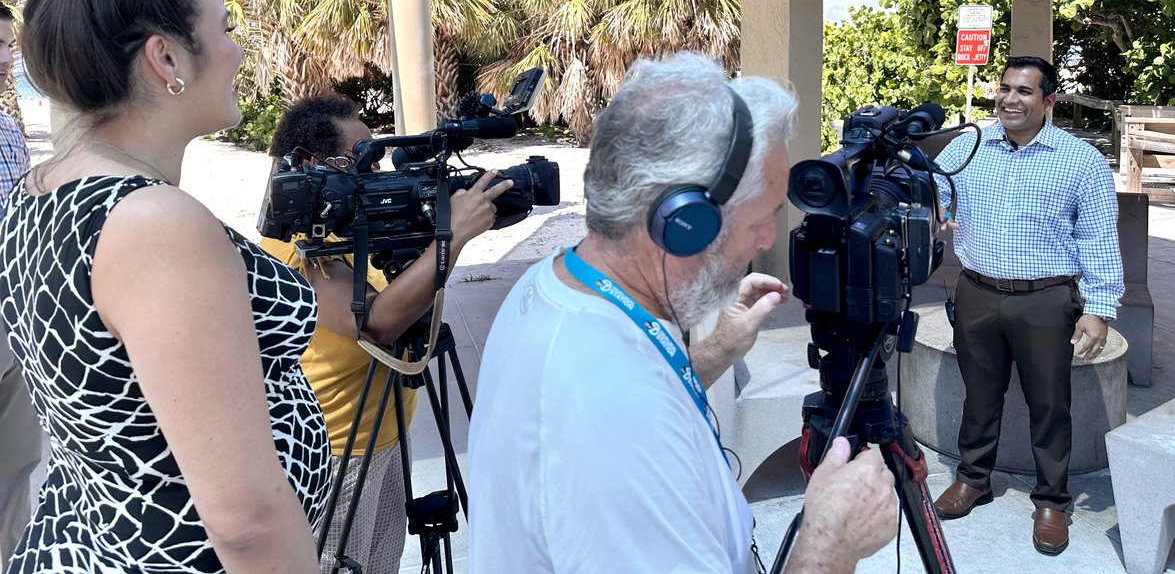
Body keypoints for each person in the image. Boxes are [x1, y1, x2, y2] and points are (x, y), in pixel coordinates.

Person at [468, 51, 896, 574]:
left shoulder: (560, 283)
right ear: (684, 222)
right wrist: (830, 545)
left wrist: (710, 354)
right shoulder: (612, 416)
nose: (768, 239)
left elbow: (638, 390)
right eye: (763, 217)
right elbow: (623, 417)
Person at [0, 0, 332, 574]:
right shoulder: (153, 225)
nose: (238, 49)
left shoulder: (40, 188)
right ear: (167, 56)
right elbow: (244, 524)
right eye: (226, 27)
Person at [262, 95, 510, 574]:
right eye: (363, 157)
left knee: (379, 565)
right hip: (336, 454)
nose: (374, 170)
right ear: (318, 165)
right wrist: (450, 239)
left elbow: (406, 293)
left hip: (386, 435)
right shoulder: (292, 244)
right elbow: (375, 324)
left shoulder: (344, 224)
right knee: (336, 566)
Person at [931, 55, 1123, 556]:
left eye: (1024, 91)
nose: (1009, 99)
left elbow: (1099, 237)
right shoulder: (967, 148)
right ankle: (974, 479)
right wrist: (941, 207)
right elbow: (935, 188)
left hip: (1046, 299)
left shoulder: (1079, 159)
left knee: (1049, 404)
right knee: (979, 395)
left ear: (1049, 101)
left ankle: (1052, 501)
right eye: (1004, 88)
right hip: (976, 292)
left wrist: (1099, 308)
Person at [0, 2, 35, 569]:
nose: (8, 59)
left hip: (13, 320)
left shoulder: (9, 132)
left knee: (15, 470)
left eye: (8, 46)